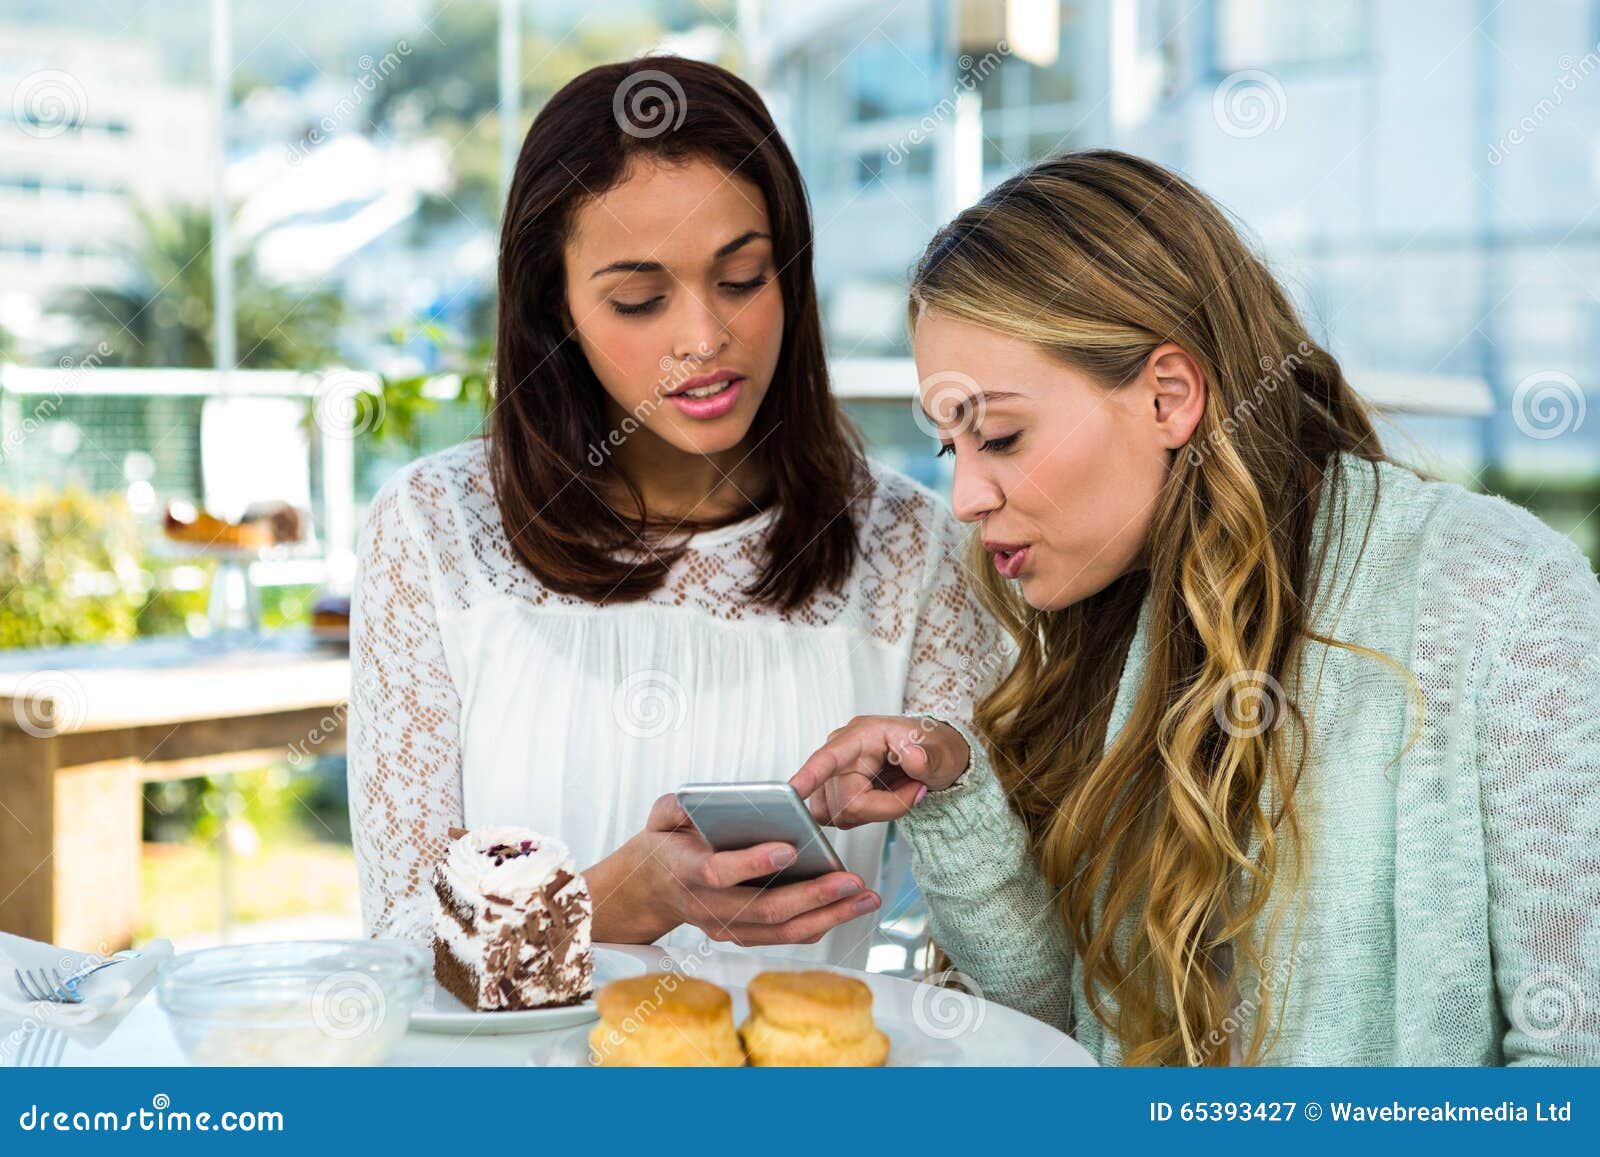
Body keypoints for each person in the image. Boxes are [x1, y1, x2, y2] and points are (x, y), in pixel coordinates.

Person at [792, 150, 1600, 1063]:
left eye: (1003, 437)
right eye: (951, 451)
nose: (968, 496)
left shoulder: (1503, 594)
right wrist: (954, 789)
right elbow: (1075, 1029)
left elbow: (1576, 1069)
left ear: (1168, 396)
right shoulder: (1113, 613)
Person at [347, 56, 996, 969]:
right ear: (554, 308)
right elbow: (403, 953)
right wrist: (624, 896)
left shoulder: (912, 548)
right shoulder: (434, 528)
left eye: (742, 279)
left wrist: (959, 775)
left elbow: (998, 954)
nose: (703, 339)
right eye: (639, 300)